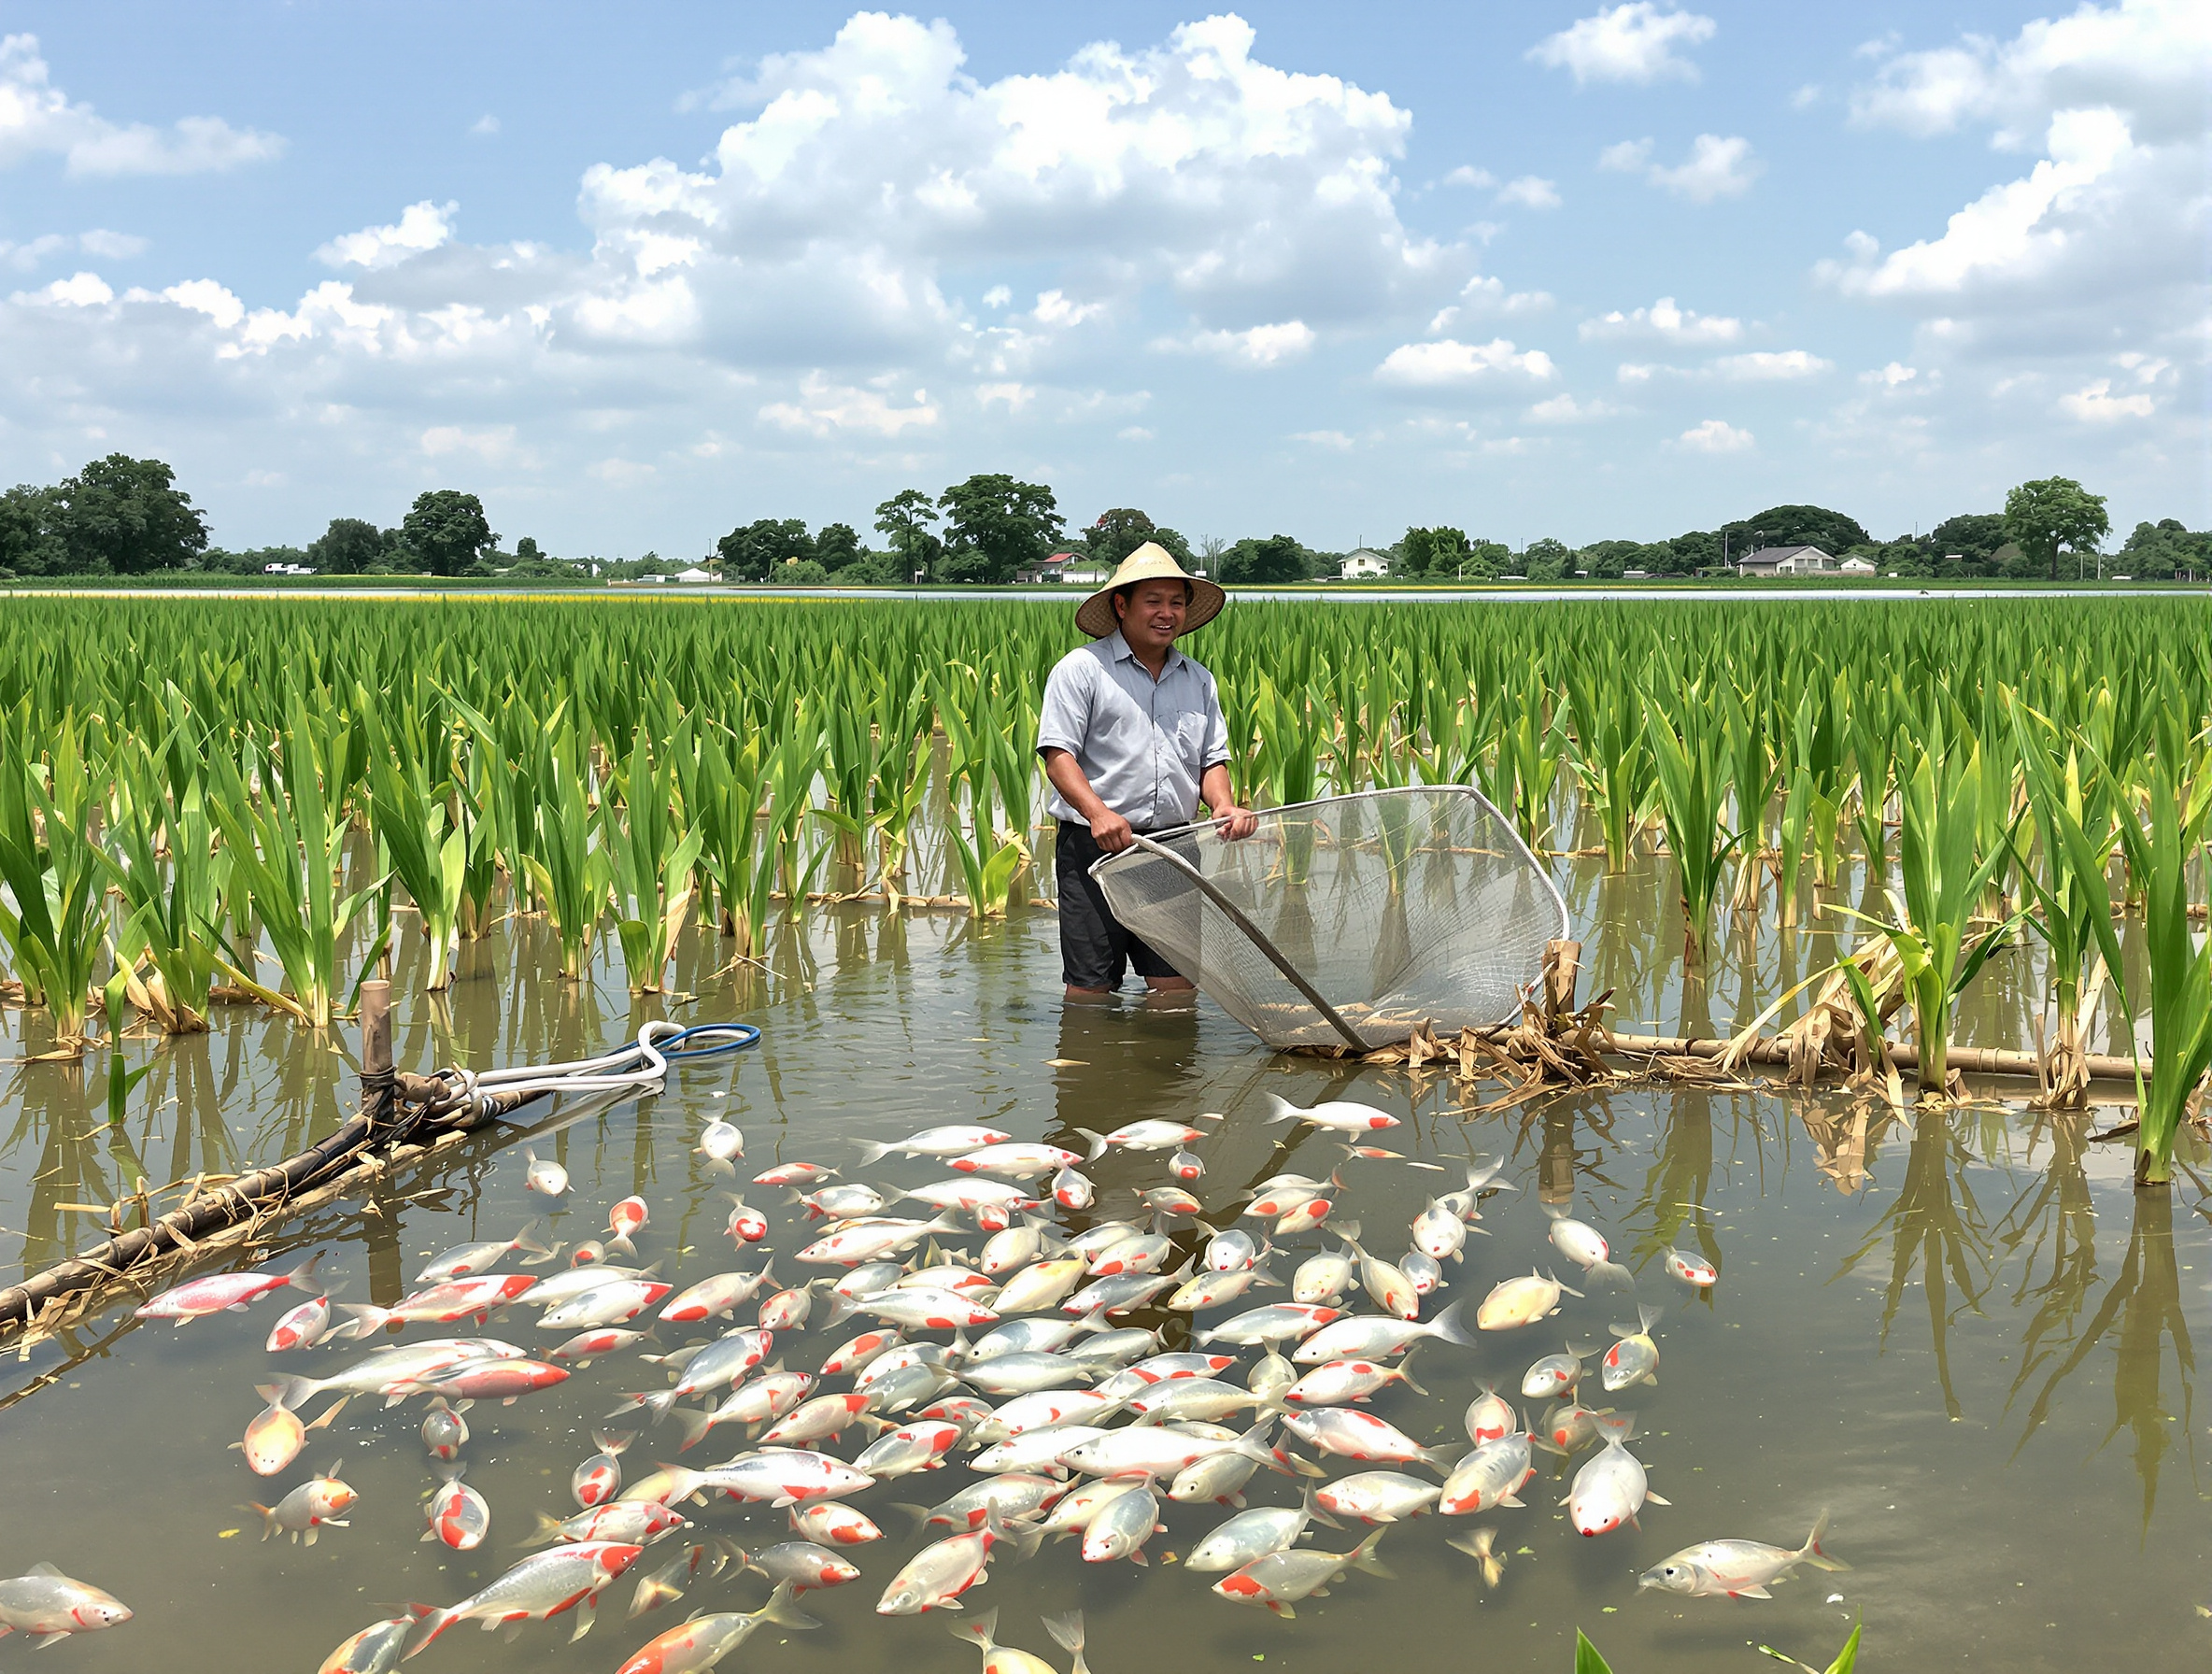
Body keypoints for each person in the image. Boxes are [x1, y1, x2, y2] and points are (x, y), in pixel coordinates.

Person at [1036, 542, 1258, 1000]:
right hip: (1096, 848)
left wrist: (1223, 804)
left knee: (1176, 988)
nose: (1167, 613)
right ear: (1121, 605)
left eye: (1176, 603)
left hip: (1173, 849)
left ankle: (1170, 1071)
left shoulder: (1197, 678)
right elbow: (1058, 753)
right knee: (1091, 988)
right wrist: (1098, 813)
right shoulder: (1083, 670)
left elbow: (1211, 758)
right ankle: (1092, 1068)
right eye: (1153, 601)